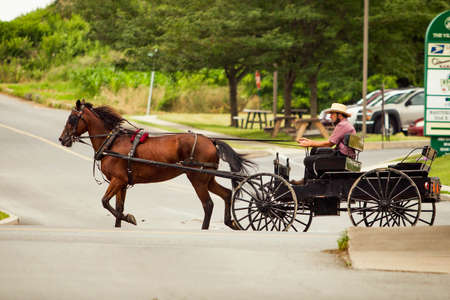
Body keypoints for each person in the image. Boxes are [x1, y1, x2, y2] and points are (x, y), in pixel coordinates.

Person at [291, 103, 356, 185]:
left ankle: (312, 183)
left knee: (308, 160)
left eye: (332, 114)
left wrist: (310, 143)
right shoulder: (344, 124)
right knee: (314, 150)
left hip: (343, 158)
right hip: (343, 155)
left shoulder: (343, 125)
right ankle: (307, 180)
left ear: (339, 115)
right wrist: (310, 142)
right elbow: (330, 142)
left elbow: (329, 144)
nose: (330, 116)